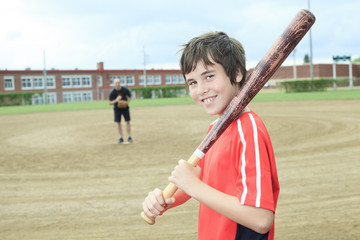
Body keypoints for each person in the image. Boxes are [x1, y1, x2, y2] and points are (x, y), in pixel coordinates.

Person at [142, 32, 280, 240]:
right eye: (192, 82)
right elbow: (198, 181)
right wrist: (164, 199)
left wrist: (195, 187)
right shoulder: (216, 128)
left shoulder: (247, 130)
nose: (201, 90)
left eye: (209, 76)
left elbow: (260, 219)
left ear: (236, 74)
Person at [108, 78, 133, 143]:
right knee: (118, 123)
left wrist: (127, 102)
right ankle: (121, 137)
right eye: (116, 83)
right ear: (114, 84)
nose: (117, 84)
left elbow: (130, 97)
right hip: (117, 109)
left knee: (127, 122)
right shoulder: (112, 92)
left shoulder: (125, 90)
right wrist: (116, 100)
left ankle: (129, 137)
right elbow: (110, 103)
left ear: (120, 83)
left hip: (125, 108)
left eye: (118, 83)